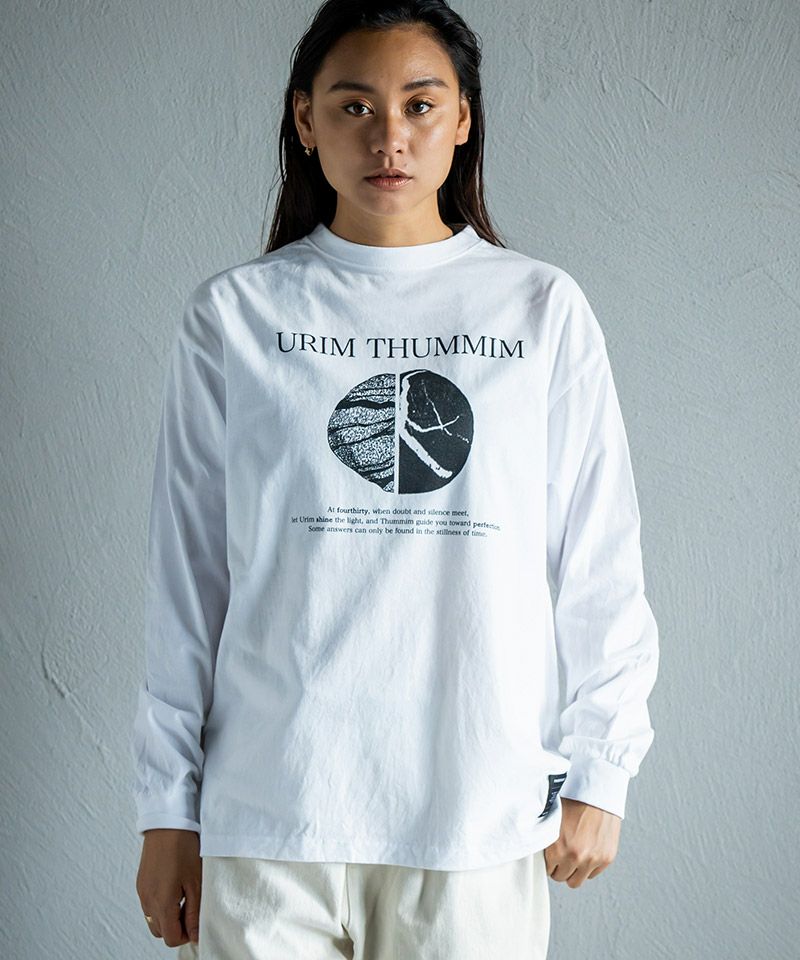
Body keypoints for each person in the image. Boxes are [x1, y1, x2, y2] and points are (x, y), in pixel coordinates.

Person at [131, 1, 660, 957]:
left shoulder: (539, 309)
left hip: (476, 819)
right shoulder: (236, 315)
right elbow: (187, 583)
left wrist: (604, 768)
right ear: (306, 121)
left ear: (463, 120)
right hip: (271, 818)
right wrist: (167, 807)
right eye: (355, 106)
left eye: (420, 105)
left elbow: (600, 557)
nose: (390, 137)